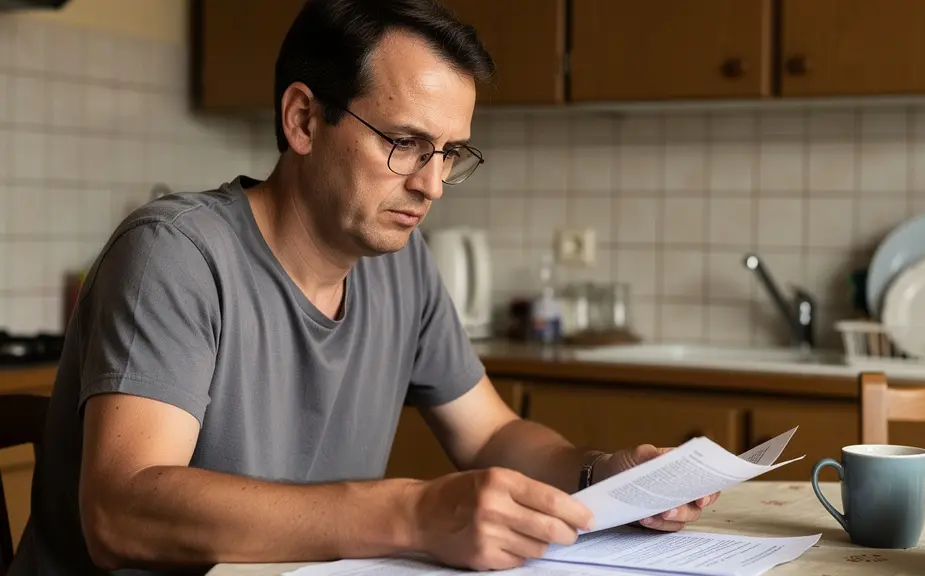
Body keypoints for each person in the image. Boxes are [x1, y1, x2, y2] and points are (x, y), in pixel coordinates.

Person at [9, 1, 719, 574]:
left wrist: (602, 475)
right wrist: (411, 513)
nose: (432, 184)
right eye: (406, 143)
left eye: (449, 153)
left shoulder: (400, 262)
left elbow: (492, 433)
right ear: (304, 119)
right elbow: (121, 514)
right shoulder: (177, 254)